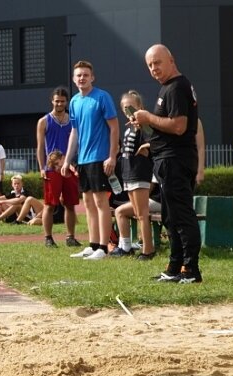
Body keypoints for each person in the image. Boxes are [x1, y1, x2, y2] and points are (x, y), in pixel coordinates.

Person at [132, 44, 202, 284]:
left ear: (171, 60)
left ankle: (190, 270)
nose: (154, 69)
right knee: (170, 216)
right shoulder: (170, 88)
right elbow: (172, 129)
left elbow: (179, 126)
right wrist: (152, 142)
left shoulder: (176, 87)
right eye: (150, 65)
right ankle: (175, 267)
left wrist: (147, 117)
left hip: (175, 161)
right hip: (167, 158)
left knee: (181, 215)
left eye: (157, 62)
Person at [63, 60, 119, 260]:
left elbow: (114, 127)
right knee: (87, 202)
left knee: (100, 201)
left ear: (92, 77)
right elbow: (74, 133)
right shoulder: (74, 102)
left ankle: (103, 248)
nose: (82, 78)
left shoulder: (102, 97)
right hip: (84, 160)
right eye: (78, 75)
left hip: (100, 157)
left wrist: (112, 156)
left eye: (85, 75)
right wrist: (67, 159)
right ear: (73, 78)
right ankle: (93, 244)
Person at [111, 90, 154, 258]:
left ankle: (148, 250)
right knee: (137, 213)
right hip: (129, 175)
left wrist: (145, 146)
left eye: (132, 107)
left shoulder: (144, 127)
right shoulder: (128, 128)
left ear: (140, 107)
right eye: (125, 107)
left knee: (143, 214)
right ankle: (134, 247)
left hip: (140, 174)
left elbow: (156, 141)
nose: (128, 110)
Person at [36, 87, 81, 248]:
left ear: (66, 102)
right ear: (52, 101)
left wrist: (75, 164)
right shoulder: (44, 121)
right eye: (57, 101)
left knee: (70, 204)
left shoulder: (73, 120)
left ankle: (70, 237)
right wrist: (42, 168)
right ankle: (48, 237)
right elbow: (40, 147)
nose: (59, 104)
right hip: (51, 169)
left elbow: (78, 143)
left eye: (62, 101)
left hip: (68, 167)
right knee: (50, 204)